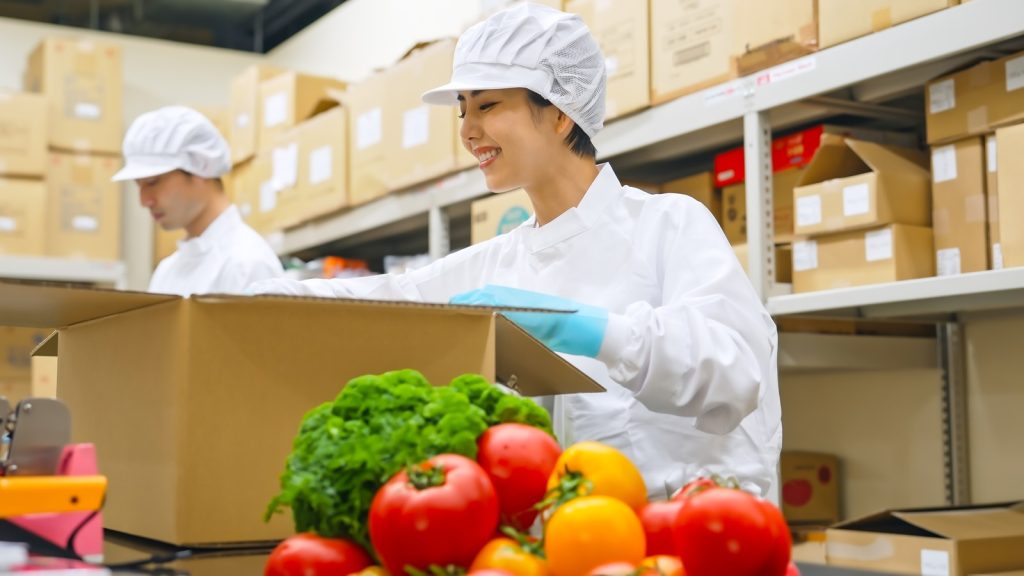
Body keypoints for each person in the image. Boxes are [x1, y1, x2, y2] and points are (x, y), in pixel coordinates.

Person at [250, 3, 780, 501]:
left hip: (688, 539)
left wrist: (595, 330)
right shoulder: (499, 263)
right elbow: (389, 297)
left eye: (487, 105)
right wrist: (237, 298)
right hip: (563, 544)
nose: (467, 130)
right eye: (462, 110)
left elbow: (734, 372)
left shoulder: (669, 224)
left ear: (560, 115)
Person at [113, 106, 283, 296]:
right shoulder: (166, 272)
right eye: (139, 186)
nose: (144, 200)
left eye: (152, 182)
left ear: (200, 167)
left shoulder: (247, 264)